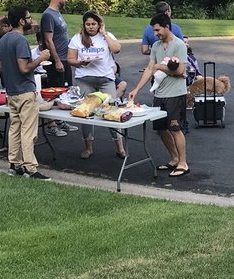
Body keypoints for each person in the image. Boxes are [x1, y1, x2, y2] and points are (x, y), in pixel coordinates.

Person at [0, 5, 55, 179]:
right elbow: (24, 68)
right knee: (29, 131)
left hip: (11, 92)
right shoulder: (20, 40)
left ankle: (14, 165)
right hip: (25, 91)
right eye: (28, 17)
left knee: (14, 128)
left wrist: (9, 79)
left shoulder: (3, 39)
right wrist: (41, 58)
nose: (30, 20)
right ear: (21, 21)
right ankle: (31, 168)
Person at [129, 12, 189, 177]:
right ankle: (174, 158)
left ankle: (183, 163)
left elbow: (181, 71)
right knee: (162, 129)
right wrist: (136, 89)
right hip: (159, 94)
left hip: (175, 94)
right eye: (154, 31)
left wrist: (160, 67)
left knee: (175, 129)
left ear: (167, 27)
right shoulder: (155, 46)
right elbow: (150, 68)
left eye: (157, 30)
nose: (155, 34)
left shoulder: (179, 45)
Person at [67, 11, 126, 160]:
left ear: (99, 24)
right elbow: (70, 59)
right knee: (86, 113)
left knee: (112, 111)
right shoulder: (77, 38)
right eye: (88, 24)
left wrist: (104, 33)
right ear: (84, 25)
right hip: (85, 79)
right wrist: (81, 62)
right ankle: (88, 147)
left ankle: (120, 147)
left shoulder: (106, 36)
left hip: (105, 79)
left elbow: (117, 49)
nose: (91, 27)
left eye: (94, 24)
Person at [39, 0, 72, 87]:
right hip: (56, 61)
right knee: (59, 91)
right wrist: (57, 61)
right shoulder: (48, 15)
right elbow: (48, 40)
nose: (66, 0)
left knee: (68, 89)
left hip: (65, 59)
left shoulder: (57, 13)